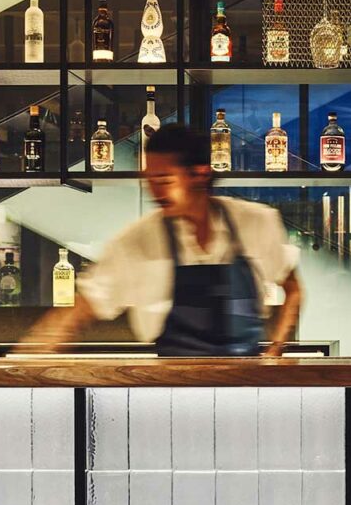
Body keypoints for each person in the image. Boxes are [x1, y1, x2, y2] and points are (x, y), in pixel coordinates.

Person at [29, 122, 302, 356]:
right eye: (149, 180)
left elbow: (293, 289)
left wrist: (276, 349)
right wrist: (27, 359)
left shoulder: (256, 222)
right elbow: (80, 310)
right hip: (171, 387)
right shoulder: (137, 240)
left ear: (200, 174)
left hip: (248, 385)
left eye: (164, 180)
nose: (153, 191)